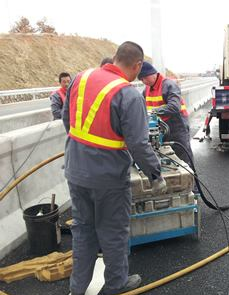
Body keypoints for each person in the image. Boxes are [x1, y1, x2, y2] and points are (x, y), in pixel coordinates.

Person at [62, 41, 167, 295]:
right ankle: (115, 284)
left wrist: (82, 150)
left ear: (115, 57)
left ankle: (77, 289)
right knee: (113, 233)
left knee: (83, 231)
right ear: (137, 65)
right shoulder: (128, 93)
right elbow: (139, 144)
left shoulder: (80, 78)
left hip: (76, 170)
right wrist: (155, 174)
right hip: (108, 178)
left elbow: (67, 118)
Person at [138, 62, 194, 166]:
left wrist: (153, 111)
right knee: (166, 159)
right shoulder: (147, 89)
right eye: (141, 80)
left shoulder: (169, 85)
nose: (143, 81)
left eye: (144, 78)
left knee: (183, 160)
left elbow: (174, 107)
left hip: (177, 127)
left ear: (152, 74)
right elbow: (141, 105)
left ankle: (191, 181)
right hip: (161, 128)